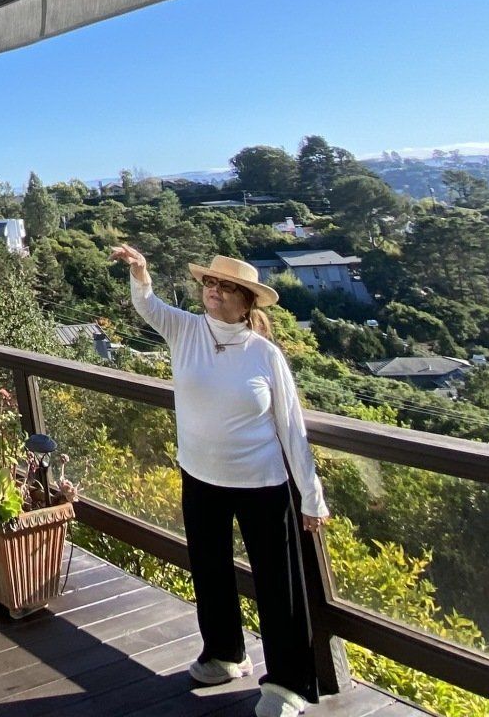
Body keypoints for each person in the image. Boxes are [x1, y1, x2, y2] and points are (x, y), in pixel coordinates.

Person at [110, 245, 329, 717]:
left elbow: (292, 427)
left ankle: (288, 686)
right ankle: (225, 654)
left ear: (246, 300)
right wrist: (141, 271)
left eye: (225, 286)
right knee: (210, 572)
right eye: (209, 283)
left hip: (262, 484)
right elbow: (147, 306)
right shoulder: (186, 330)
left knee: (278, 586)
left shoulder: (264, 355)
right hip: (200, 476)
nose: (213, 290)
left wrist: (311, 497)